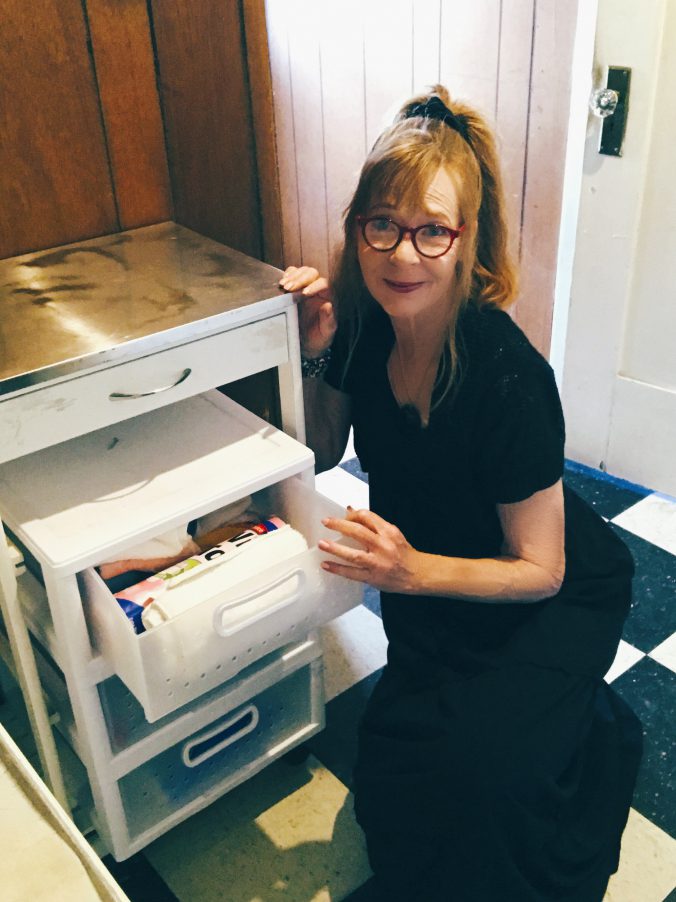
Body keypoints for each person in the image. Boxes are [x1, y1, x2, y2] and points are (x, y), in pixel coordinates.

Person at [279, 86, 642, 902]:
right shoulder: (365, 325)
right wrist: (313, 347)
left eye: (431, 230)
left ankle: (597, 726)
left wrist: (409, 573)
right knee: (404, 781)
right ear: (357, 228)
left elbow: (541, 569)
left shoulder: (509, 376)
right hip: (438, 578)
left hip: (545, 588)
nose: (402, 255)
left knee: (489, 785)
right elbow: (324, 448)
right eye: (382, 223)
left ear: (469, 239)